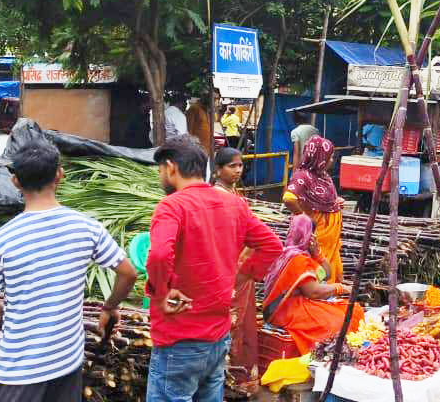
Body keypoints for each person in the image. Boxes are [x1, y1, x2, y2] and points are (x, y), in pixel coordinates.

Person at [0, 142, 139, 402]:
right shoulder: (87, 227)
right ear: (59, 174)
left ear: (15, 181)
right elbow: (128, 273)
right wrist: (110, 307)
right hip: (67, 363)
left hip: (19, 372)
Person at [146, 135, 283, 402]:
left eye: (160, 170)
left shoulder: (172, 206)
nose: (160, 176)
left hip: (179, 337)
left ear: (171, 167)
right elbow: (272, 245)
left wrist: (162, 293)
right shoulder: (234, 205)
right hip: (218, 337)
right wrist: (241, 275)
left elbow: (160, 254)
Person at [261, 214, 364, 354]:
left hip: (295, 305)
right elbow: (313, 292)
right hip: (286, 311)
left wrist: (318, 254)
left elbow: (325, 274)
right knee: (343, 318)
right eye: (312, 233)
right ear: (308, 235)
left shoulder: (294, 254)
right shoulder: (297, 258)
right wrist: (341, 288)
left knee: (351, 310)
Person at [213, 147, 261, 396]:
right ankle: (229, 378)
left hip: (244, 268)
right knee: (232, 322)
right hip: (228, 267)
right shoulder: (216, 197)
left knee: (244, 322)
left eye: (240, 165)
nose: (238, 170)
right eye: (232, 166)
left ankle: (242, 376)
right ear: (218, 169)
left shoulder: (235, 194)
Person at [283, 135, 346, 284]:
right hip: (318, 235)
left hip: (331, 238)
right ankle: (315, 293)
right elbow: (289, 198)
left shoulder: (323, 176)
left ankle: (327, 292)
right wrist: (305, 219)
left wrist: (335, 203)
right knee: (317, 268)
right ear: (318, 157)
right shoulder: (303, 176)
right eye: (329, 157)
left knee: (329, 268)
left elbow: (322, 200)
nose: (332, 161)